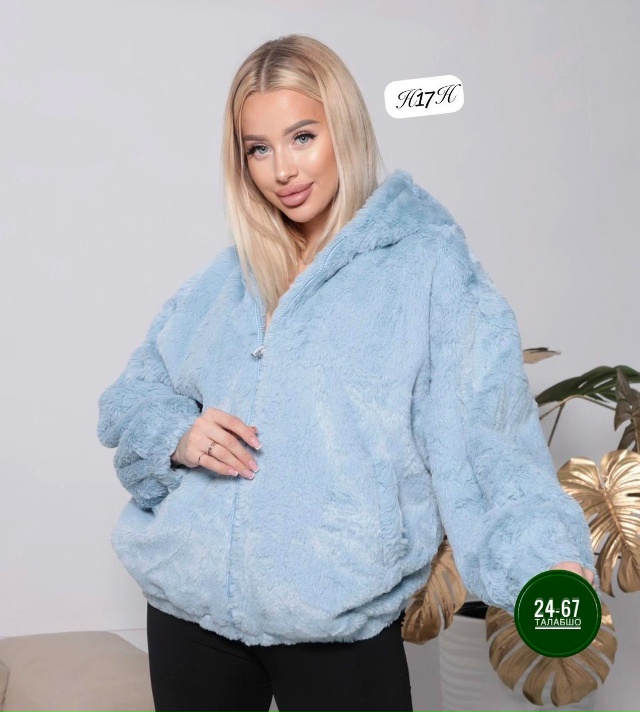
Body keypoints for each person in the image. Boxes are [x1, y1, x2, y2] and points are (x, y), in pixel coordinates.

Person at [97, 34, 598, 712]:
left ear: (346, 129)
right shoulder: (230, 277)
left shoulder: (427, 266)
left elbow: (488, 437)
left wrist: (545, 561)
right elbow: (134, 393)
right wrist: (177, 434)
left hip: (336, 615)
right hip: (189, 610)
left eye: (303, 137)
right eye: (258, 149)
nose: (282, 170)